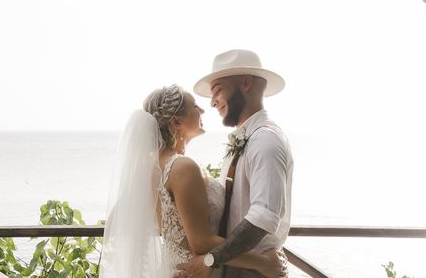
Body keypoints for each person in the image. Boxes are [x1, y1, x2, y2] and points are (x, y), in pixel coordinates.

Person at [99, 84, 282, 278]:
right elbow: (200, 242)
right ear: (177, 122)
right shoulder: (182, 167)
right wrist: (262, 262)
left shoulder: (152, 169)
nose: (203, 110)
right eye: (195, 106)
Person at [176, 49, 293, 278]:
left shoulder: (266, 140)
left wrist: (211, 259)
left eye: (217, 91)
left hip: (256, 273)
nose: (212, 103)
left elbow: (263, 218)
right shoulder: (245, 139)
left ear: (246, 83)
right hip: (234, 269)